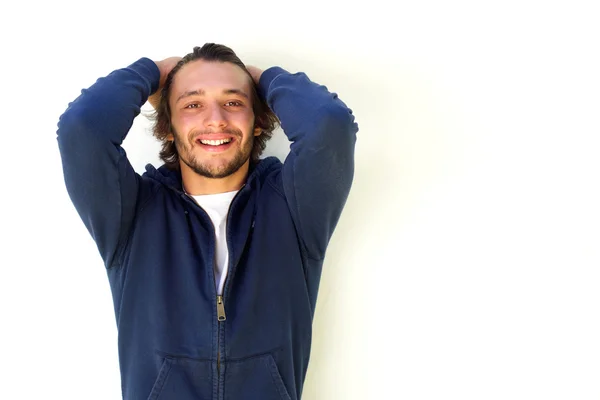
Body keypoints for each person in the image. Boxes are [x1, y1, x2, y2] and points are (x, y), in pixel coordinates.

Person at [56, 43, 358, 400]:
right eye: (192, 104)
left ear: (258, 121)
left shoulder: (295, 206)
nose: (215, 119)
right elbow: (82, 128)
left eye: (233, 102)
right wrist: (154, 71)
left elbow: (330, 126)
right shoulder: (130, 214)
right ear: (167, 127)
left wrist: (261, 78)